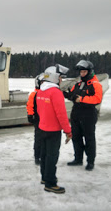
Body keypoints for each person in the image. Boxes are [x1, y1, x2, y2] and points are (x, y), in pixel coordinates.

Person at [36, 64, 72, 194]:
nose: (61, 80)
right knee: (52, 157)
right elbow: (61, 114)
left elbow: (40, 111)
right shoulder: (55, 92)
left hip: (42, 128)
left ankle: (45, 178)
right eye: (60, 78)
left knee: (44, 155)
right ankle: (51, 183)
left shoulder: (41, 91)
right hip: (53, 131)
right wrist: (68, 130)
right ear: (55, 78)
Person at [63, 60, 102, 171]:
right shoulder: (78, 84)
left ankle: (90, 161)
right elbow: (72, 95)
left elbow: (97, 99)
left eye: (84, 72)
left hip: (88, 115)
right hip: (76, 114)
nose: (82, 74)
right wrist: (64, 93)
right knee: (76, 138)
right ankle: (78, 159)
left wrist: (82, 99)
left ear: (89, 71)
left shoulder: (95, 84)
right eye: (81, 72)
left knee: (89, 139)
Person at [26, 73, 44, 165]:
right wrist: (30, 115)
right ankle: (37, 156)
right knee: (38, 139)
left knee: (45, 139)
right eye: (42, 82)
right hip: (37, 119)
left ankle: (43, 155)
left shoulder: (46, 93)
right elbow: (30, 105)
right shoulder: (34, 94)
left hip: (45, 119)